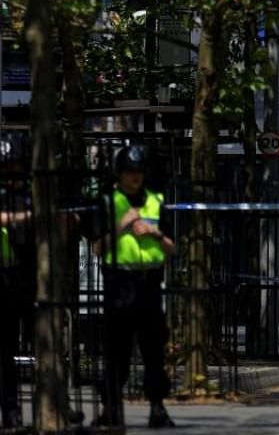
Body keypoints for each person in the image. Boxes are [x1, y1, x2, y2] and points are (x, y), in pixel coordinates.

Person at [97, 145, 177, 428]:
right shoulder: (108, 202)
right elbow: (97, 247)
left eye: (139, 171)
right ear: (119, 175)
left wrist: (154, 232)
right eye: (130, 171)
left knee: (153, 350)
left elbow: (171, 247)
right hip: (119, 281)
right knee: (116, 350)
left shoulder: (156, 201)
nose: (135, 177)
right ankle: (111, 409)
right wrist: (122, 225)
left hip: (149, 282)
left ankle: (157, 407)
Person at [0, 135, 32, 429]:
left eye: (15, 167)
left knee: (46, 344)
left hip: (29, 278)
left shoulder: (32, 194)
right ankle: (10, 408)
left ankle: (55, 400)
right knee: (6, 352)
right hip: (5, 279)